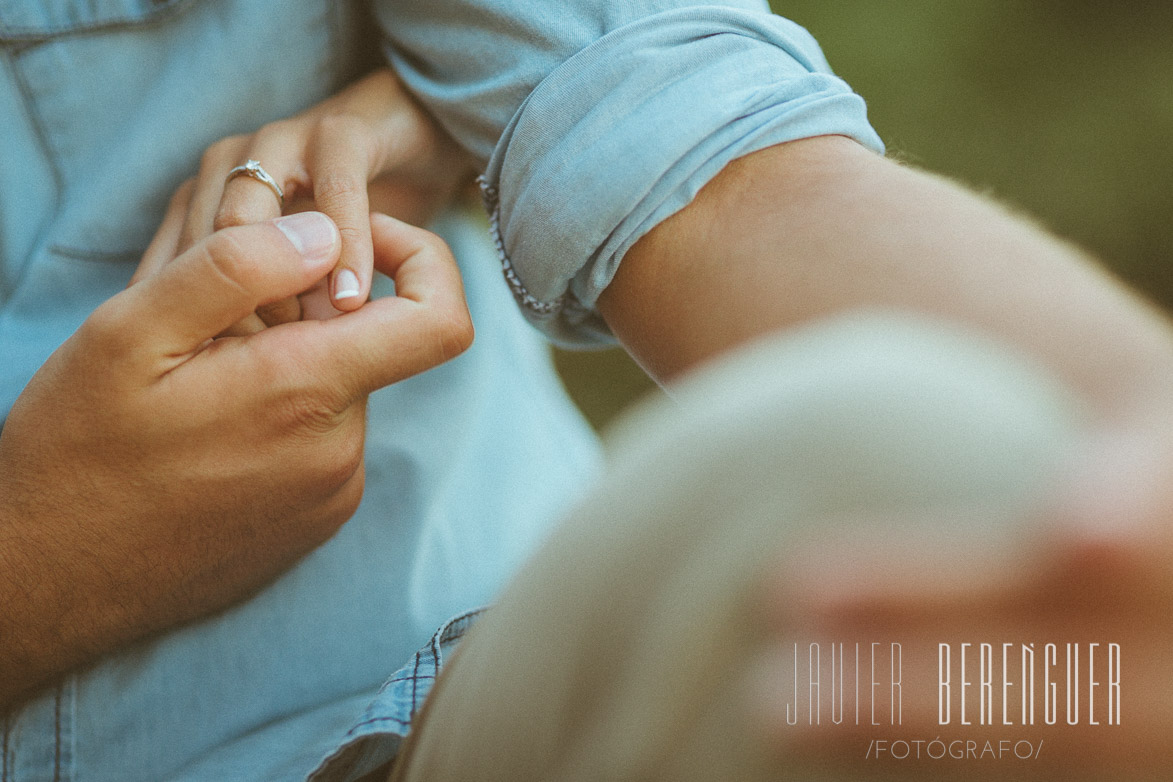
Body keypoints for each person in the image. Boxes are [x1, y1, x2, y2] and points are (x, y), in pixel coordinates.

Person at [1, 2, 1171, 781]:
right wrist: (47, 552)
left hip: (448, 718)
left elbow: (687, 127)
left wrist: (1144, 445)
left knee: (934, 493)